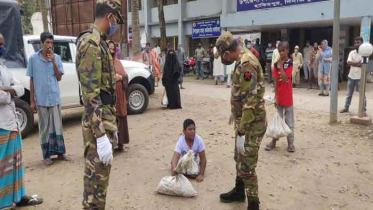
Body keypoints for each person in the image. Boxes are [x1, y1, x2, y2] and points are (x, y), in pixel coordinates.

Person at [76, 0, 124, 209]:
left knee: (100, 184)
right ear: (109, 17)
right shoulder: (91, 44)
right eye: (115, 20)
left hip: (104, 120)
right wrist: (101, 135)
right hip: (98, 126)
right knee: (95, 186)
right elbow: (91, 95)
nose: (115, 25)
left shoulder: (100, 42)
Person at [217, 32, 266, 210]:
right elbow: (242, 94)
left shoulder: (246, 64)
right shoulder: (241, 59)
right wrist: (234, 112)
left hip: (252, 124)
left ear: (226, 54)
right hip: (244, 120)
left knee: (247, 165)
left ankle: (254, 204)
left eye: (222, 57)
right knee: (239, 157)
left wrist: (242, 130)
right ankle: (239, 191)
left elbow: (251, 102)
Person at [0, 34, 43, 209]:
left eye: (2, 44)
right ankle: (3, 202)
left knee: (15, 162)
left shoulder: (3, 66)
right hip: (2, 124)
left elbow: (19, 88)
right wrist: (10, 92)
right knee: (3, 165)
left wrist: (7, 89)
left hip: (12, 123)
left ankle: (18, 197)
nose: (2, 47)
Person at [26, 32, 69, 165]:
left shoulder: (56, 57)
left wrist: (53, 62)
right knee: (44, 128)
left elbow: (59, 77)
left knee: (57, 126)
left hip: (54, 98)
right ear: (42, 43)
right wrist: (32, 101)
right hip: (42, 100)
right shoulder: (33, 59)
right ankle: (46, 155)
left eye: (51, 43)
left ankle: (61, 152)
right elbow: (32, 81)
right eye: (47, 43)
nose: (49, 45)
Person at [265, 41, 296, 153]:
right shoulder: (275, 64)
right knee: (277, 120)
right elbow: (276, 81)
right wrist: (276, 97)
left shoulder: (289, 63)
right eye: (279, 51)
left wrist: (281, 66)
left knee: (289, 122)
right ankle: (273, 141)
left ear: (287, 50)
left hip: (288, 98)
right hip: (279, 97)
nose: (281, 53)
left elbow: (285, 78)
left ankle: (291, 143)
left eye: (283, 51)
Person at [108, 40, 130, 152]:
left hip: (120, 96)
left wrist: (120, 78)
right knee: (110, 119)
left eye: (113, 49)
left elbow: (125, 75)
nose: (112, 51)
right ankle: (111, 145)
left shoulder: (117, 62)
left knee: (121, 117)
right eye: (110, 49)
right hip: (109, 96)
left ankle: (121, 143)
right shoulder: (104, 62)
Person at [340, 37, 367, 115]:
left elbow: (363, 64)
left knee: (362, 94)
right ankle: (346, 107)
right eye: (355, 43)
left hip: (360, 77)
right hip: (351, 76)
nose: (356, 44)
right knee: (349, 93)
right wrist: (357, 63)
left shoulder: (365, 53)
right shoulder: (352, 52)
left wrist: (353, 63)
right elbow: (348, 63)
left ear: (361, 43)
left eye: (358, 42)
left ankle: (363, 110)